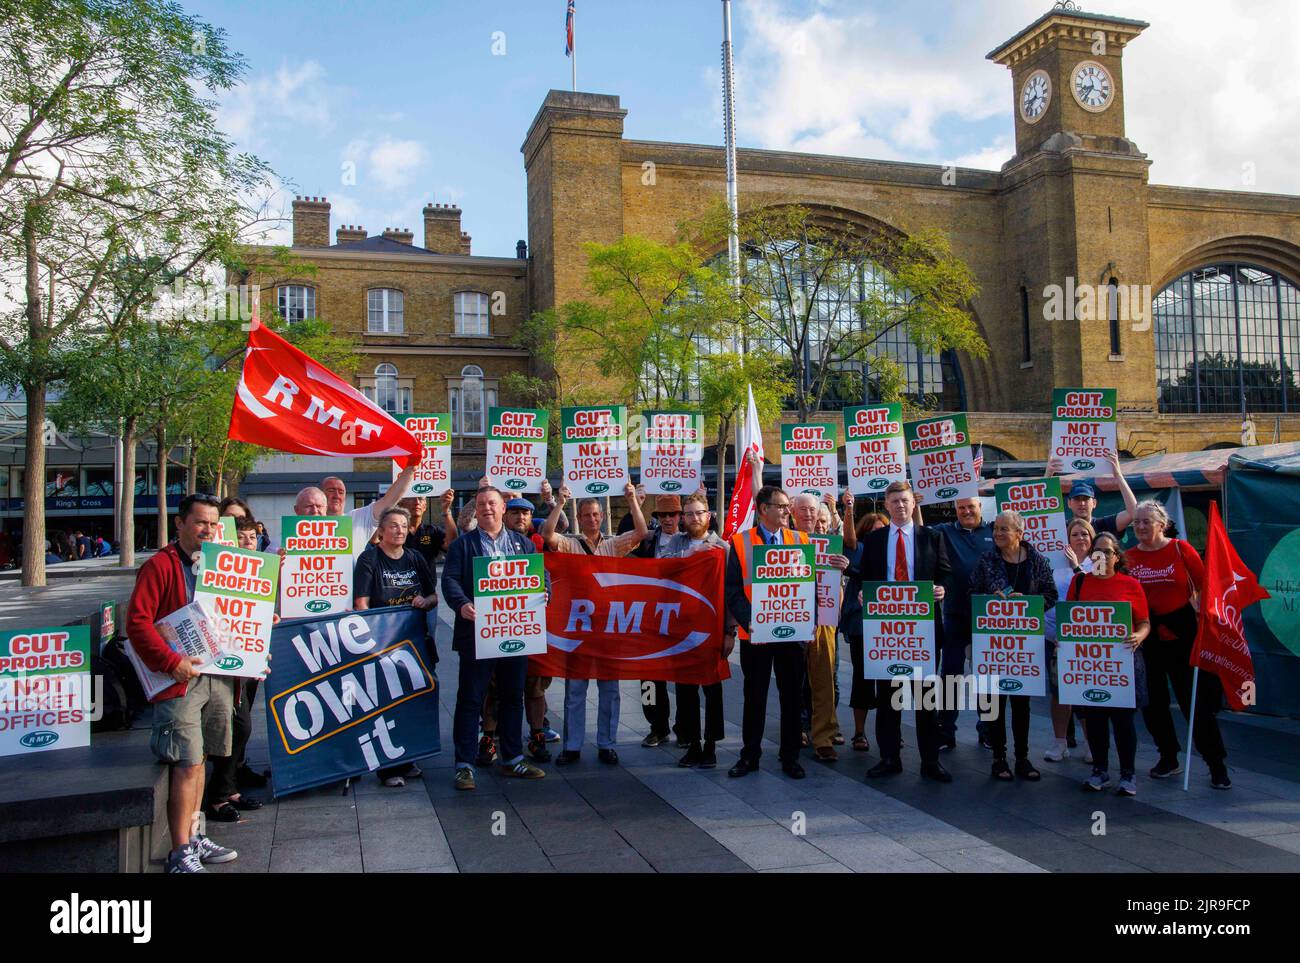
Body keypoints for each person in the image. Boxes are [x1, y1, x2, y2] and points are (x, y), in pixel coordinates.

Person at [125, 493, 239, 873]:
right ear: (180, 524)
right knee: (187, 762)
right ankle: (179, 852)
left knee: (201, 759)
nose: (208, 530)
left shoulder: (219, 563)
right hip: (180, 681)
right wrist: (171, 661)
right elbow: (137, 623)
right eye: (200, 523)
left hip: (216, 676)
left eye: (213, 523)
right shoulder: (159, 566)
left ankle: (195, 835)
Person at [441, 487, 547, 790]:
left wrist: (545, 591)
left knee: (514, 697)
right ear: (477, 510)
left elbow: (541, 575)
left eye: (493, 503)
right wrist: (462, 604)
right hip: (478, 635)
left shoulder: (523, 544)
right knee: (471, 698)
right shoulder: (463, 545)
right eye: (482, 504)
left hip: (515, 632)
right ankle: (464, 764)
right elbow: (449, 579)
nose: (487, 508)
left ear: (503, 508)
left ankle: (512, 758)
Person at [542, 482, 648, 765]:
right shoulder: (570, 544)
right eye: (586, 515)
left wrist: (632, 501)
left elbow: (641, 533)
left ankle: (606, 743)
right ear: (580, 518)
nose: (591, 519)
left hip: (607, 627)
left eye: (595, 515)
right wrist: (560, 503)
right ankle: (572, 746)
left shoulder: (613, 545)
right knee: (575, 689)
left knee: (609, 690)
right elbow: (547, 535)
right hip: (578, 627)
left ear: (602, 517)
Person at [1126, 500, 1228, 788]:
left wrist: (1206, 615)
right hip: (1146, 637)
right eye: (1137, 522)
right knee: (1153, 703)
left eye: (1147, 521)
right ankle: (1168, 756)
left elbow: (1206, 587)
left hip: (1182, 635)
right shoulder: (1128, 556)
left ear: (1162, 524)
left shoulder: (1181, 550)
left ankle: (1216, 763)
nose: (1141, 527)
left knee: (1193, 703)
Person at [859, 480, 953, 783]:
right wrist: (862, 593)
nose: (900, 506)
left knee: (925, 698)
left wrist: (942, 589)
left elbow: (946, 573)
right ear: (886, 505)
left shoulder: (932, 537)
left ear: (914, 504)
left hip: (922, 629)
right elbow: (865, 577)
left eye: (905, 501)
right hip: (885, 630)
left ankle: (930, 761)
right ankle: (889, 758)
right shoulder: (875, 540)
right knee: (888, 697)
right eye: (895, 501)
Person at [724, 482, 810, 780]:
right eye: (782, 506)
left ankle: (791, 756)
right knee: (755, 695)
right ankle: (750, 755)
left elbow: (807, 586)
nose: (788, 511)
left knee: (792, 697)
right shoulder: (740, 542)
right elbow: (733, 590)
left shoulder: (801, 540)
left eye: (788, 506)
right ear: (763, 510)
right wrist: (748, 618)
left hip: (791, 633)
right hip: (756, 633)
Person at [353, 506, 439, 787]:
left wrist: (425, 602)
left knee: (411, 701)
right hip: (382, 644)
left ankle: (407, 758)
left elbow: (432, 596)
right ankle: (388, 768)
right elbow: (361, 604)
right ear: (380, 531)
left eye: (403, 526)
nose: (399, 530)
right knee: (385, 705)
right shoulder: (370, 559)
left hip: (414, 642)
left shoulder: (415, 557)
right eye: (393, 525)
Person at [969, 510, 1057, 781]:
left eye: (1004, 529)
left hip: (1025, 643)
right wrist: (990, 598)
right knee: (995, 700)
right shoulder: (987, 560)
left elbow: (1050, 594)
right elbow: (971, 592)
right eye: (996, 528)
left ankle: (1022, 757)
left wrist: (1029, 604)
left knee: (1021, 702)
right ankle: (999, 758)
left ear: (1020, 533)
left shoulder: (1036, 560)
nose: (997, 533)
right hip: (994, 641)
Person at [1066, 532, 1151, 795]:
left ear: (1117, 556)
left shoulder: (1130, 585)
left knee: (1124, 721)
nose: (1101, 556)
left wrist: (1138, 635)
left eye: (1107, 552)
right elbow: (1068, 621)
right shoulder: (1079, 582)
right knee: (1095, 720)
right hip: (1090, 666)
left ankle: (1128, 775)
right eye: (1096, 552)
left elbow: (1144, 622)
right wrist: (1063, 642)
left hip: (1121, 664)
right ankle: (1099, 771)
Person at [204, 513, 268, 820]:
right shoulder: (210, 571)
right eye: (241, 538)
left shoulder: (260, 572)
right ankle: (218, 795)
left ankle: (226, 790)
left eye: (252, 538)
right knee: (237, 726)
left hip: (247, 662)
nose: (247, 542)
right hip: (216, 666)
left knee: (239, 726)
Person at [930, 497, 996, 750]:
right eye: (961, 507)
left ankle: (987, 729)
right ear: (955, 510)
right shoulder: (945, 531)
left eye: (971, 506)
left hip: (987, 618)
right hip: (955, 614)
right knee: (950, 674)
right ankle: (946, 730)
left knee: (986, 675)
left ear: (980, 507)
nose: (966, 511)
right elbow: (920, 532)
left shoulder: (993, 530)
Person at [790, 492, 850, 763]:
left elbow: (842, 578)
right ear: (792, 512)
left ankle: (823, 736)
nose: (808, 515)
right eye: (802, 510)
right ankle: (794, 730)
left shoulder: (830, 543)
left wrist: (843, 565)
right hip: (791, 618)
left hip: (823, 617)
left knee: (824, 678)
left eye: (812, 511)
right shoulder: (783, 541)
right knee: (792, 680)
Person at [672, 491, 730, 768]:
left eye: (699, 513)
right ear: (683, 517)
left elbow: (731, 592)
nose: (694, 518)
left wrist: (730, 631)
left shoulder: (723, 548)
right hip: (681, 631)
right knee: (685, 691)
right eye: (689, 513)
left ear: (709, 516)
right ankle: (692, 743)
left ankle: (711, 746)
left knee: (712, 690)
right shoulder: (674, 545)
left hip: (713, 631)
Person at [499, 498, 558, 761]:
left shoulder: (530, 544)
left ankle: (537, 735)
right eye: (514, 513)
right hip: (497, 627)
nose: (520, 517)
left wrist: (546, 590)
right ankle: (490, 735)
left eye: (525, 513)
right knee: (495, 688)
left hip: (528, 626)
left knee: (535, 685)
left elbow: (542, 574)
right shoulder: (489, 541)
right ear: (504, 515)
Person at [632, 494, 688, 749]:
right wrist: (635, 500)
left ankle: (684, 727)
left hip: (680, 618)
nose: (667, 519)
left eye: (672, 514)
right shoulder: (647, 542)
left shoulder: (690, 540)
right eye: (662, 515)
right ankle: (657, 727)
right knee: (649, 679)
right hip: (650, 619)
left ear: (680, 517)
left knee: (684, 677)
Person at [1044, 518, 1097, 764]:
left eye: (1084, 534)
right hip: (1054, 636)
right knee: (1058, 692)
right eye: (1075, 534)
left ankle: (1090, 743)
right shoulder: (1055, 563)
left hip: (1084, 638)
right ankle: (1060, 742)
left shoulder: (1099, 561)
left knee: (1083, 690)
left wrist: (1077, 567)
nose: (1080, 539)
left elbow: (1093, 593)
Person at [320, 465, 416, 557]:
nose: (337, 496)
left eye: (341, 492)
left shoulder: (357, 518)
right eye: (331, 490)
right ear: (320, 494)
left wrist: (410, 468)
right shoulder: (307, 527)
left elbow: (389, 500)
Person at [1050, 450, 1138, 537]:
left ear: (1094, 503)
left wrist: (1118, 475)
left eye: (1086, 499)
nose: (1082, 503)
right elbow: (1039, 518)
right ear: (1069, 503)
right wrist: (1048, 474)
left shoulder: (1104, 525)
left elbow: (1134, 512)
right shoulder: (1061, 528)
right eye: (1077, 499)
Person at [400, 490, 459, 569]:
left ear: (425, 506)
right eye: (411, 498)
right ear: (402, 504)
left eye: (421, 499)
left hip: (426, 581)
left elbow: (452, 545)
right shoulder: (396, 531)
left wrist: (446, 510)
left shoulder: (432, 531)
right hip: (401, 579)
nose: (417, 502)